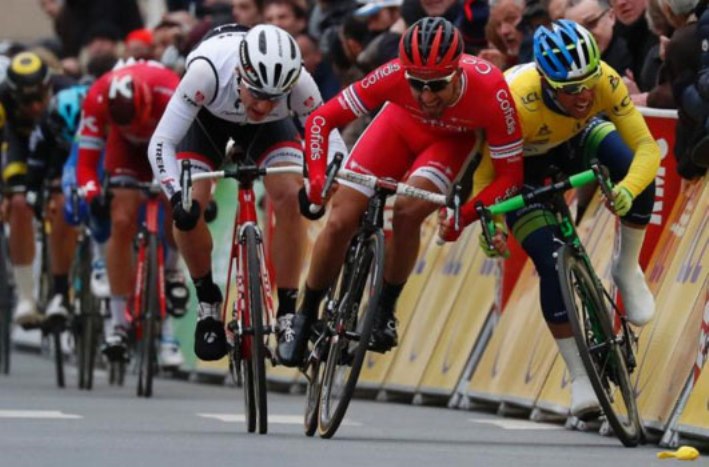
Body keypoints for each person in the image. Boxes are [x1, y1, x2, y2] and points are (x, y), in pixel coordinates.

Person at [277, 16, 525, 366]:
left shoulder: (491, 90)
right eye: (416, 84)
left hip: (449, 142)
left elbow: (510, 176)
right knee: (340, 220)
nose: (426, 96)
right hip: (397, 128)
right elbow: (321, 119)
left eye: (437, 85)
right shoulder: (392, 73)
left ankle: (383, 310)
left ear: (457, 72)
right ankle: (305, 313)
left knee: (408, 211)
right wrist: (317, 179)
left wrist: (464, 214)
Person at [446, 20, 660, 418]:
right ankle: (579, 375)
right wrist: (489, 224)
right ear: (546, 81)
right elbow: (486, 175)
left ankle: (626, 269)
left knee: (634, 167)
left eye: (588, 84)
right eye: (569, 90)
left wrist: (627, 190)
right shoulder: (512, 98)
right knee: (550, 260)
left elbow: (648, 147)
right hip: (518, 165)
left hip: (576, 140)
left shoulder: (604, 82)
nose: (582, 95)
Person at [147, 24, 347, 361]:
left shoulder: (298, 83)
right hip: (207, 124)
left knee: (288, 194)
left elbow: (330, 140)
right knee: (189, 206)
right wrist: (173, 193)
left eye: (275, 97)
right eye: (256, 93)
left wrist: (320, 187)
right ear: (240, 74)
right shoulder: (205, 72)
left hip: (268, 134)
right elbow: (161, 142)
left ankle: (286, 312)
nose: (264, 106)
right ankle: (209, 303)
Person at [76, 60, 188, 368]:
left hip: (167, 141)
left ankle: (172, 269)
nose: (134, 130)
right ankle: (117, 324)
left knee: (178, 204)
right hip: (123, 150)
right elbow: (86, 162)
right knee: (121, 219)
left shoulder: (170, 88)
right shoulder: (97, 98)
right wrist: (92, 192)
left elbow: (195, 145)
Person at [1, 51, 74, 328]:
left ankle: (61, 291)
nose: (33, 107)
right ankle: (26, 297)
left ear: (49, 86)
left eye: (39, 98)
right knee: (19, 203)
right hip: (20, 145)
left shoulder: (67, 89)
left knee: (63, 198)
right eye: (25, 101)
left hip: (58, 146)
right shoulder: (3, 98)